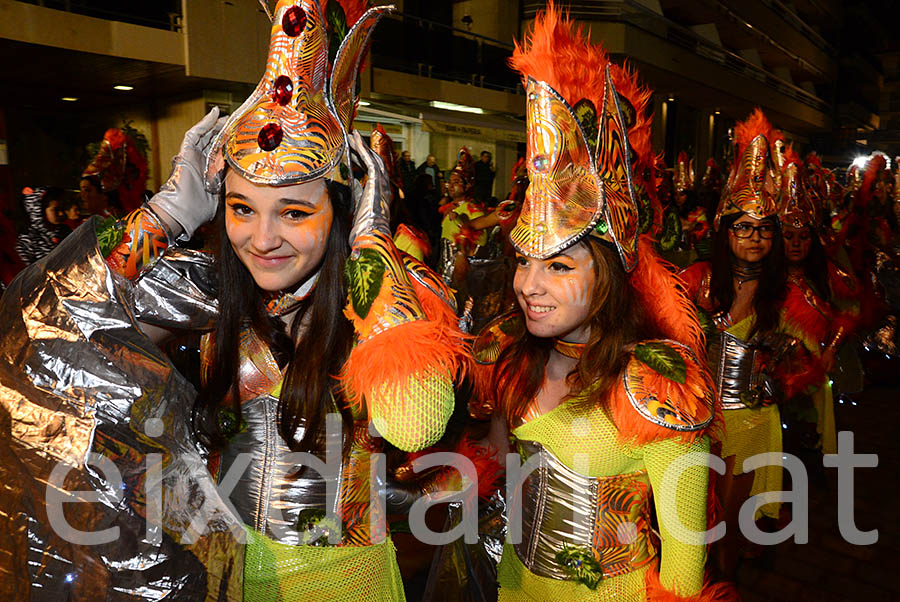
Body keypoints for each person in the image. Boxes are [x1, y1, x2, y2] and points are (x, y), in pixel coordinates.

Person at [1, 1, 468, 599]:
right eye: (242, 208)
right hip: (223, 578)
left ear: (343, 208)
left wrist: (372, 246)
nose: (262, 238)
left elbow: (415, 420)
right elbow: (43, 325)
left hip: (346, 585)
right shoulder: (213, 290)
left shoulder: (392, 299)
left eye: (294, 211)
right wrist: (171, 213)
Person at [470, 7, 735, 600]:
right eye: (524, 261)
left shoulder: (659, 384)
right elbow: (502, 466)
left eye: (559, 265)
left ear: (610, 276)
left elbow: (685, 561)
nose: (528, 285)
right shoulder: (510, 354)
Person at [680, 109, 825, 579]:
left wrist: (783, 375)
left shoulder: (784, 295)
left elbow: (813, 359)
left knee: (736, 521)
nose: (755, 237)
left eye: (765, 229)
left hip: (753, 422)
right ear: (726, 233)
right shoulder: (700, 282)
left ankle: (728, 578)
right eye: (743, 227)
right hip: (699, 419)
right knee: (692, 515)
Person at [14, 186, 70, 265]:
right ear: (39, 212)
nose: (61, 213)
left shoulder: (65, 232)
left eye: (62, 208)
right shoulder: (29, 240)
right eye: (55, 210)